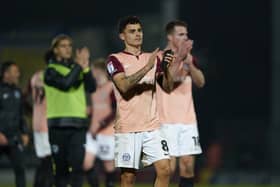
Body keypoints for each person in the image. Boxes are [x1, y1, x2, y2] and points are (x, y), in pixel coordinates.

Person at [106, 16, 174, 187]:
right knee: (128, 178)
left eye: (139, 30)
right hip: (128, 127)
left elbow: (168, 87)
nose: (138, 34)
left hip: (152, 126)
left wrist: (166, 70)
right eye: (132, 31)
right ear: (122, 36)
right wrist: (147, 68)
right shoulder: (115, 59)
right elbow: (123, 86)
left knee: (165, 169)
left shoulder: (153, 58)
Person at [43, 34, 96, 187]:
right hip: (58, 124)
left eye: (69, 46)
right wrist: (79, 65)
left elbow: (91, 87)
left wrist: (85, 68)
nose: (68, 49)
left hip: (78, 124)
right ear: (55, 50)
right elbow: (65, 84)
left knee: (78, 168)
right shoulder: (50, 70)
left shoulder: (76, 68)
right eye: (63, 46)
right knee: (61, 170)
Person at [157, 20, 205, 187]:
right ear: (170, 37)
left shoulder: (189, 58)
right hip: (166, 121)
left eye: (186, 34)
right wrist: (179, 59)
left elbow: (201, 82)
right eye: (181, 34)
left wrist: (189, 63)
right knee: (167, 169)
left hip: (188, 120)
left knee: (188, 167)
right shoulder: (160, 58)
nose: (185, 37)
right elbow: (167, 85)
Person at [84, 58, 117, 187]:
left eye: (95, 71)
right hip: (93, 132)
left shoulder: (112, 87)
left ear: (102, 71)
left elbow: (115, 111)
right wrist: (89, 111)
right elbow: (99, 109)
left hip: (107, 133)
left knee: (108, 167)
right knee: (86, 164)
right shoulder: (95, 89)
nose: (93, 74)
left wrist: (101, 124)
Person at [0, 61, 29, 187]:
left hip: (15, 138)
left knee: (20, 169)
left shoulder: (18, 92)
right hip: (0, 136)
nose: (18, 74)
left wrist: (25, 132)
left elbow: (21, 115)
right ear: (6, 74)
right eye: (15, 71)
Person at [30, 70, 54, 187]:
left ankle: (38, 184)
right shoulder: (49, 76)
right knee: (48, 162)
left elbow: (25, 96)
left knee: (44, 161)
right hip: (46, 127)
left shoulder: (35, 77)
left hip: (37, 126)